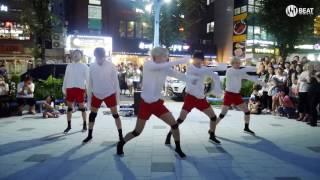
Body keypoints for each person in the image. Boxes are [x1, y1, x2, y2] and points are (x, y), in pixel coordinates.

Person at [117, 47, 190, 158]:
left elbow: (179, 75)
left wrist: (192, 79)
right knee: (137, 131)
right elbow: (160, 66)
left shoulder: (165, 68)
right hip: (146, 104)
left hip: (157, 103)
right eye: (165, 56)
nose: (167, 58)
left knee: (174, 125)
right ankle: (121, 143)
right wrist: (182, 60)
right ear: (157, 56)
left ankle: (178, 148)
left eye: (167, 56)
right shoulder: (148, 65)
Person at [164, 51, 224, 145]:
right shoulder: (191, 68)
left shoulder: (203, 69)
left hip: (201, 98)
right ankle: (169, 134)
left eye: (200, 59)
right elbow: (199, 72)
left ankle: (212, 135)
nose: (198, 60)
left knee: (213, 117)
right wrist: (213, 68)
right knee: (180, 119)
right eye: (196, 58)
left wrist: (214, 74)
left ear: (202, 60)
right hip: (190, 98)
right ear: (194, 59)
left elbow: (213, 75)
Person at [82, 47, 123, 143]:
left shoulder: (111, 65)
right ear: (95, 56)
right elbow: (89, 82)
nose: (99, 58)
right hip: (96, 93)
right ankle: (90, 135)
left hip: (109, 92)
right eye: (97, 56)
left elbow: (115, 82)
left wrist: (117, 94)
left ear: (104, 56)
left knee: (115, 115)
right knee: (92, 115)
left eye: (101, 56)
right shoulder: (91, 66)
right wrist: (89, 94)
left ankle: (120, 136)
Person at [216, 57, 264, 136]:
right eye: (237, 63)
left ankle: (246, 127)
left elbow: (250, 78)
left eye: (239, 63)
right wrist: (250, 65)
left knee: (247, 111)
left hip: (237, 95)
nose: (239, 64)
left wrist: (263, 84)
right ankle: (212, 128)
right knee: (222, 114)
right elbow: (243, 72)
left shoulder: (240, 72)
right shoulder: (229, 71)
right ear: (232, 63)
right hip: (229, 94)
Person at [62, 50, 89, 133]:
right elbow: (66, 77)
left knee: (82, 108)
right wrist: (64, 88)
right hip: (70, 88)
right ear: (72, 55)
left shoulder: (84, 66)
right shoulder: (69, 66)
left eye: (78, 54)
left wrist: (88, 89)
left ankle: (84, 125)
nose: (76, 55)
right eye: (74, 54)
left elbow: (88, 79)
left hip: (80, 89)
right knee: (69, 108)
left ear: (81, 56)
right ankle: (69, 125)